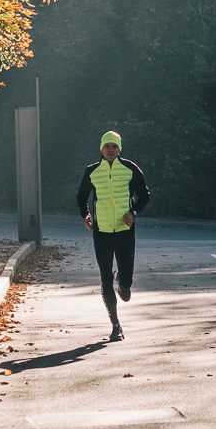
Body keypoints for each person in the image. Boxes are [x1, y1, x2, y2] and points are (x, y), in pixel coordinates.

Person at [76, 131, 151, 341]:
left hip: (125, 231)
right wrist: (87, 216)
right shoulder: (92, 171)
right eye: (107, 146)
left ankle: (124, 282)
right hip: (102, 232)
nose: (110, 150)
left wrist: (133, 213)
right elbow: (81, 196)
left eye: (114, 147)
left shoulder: (130, 169)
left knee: (126, 279)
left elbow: (144, 194)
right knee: (105, 277)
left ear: (119, 149)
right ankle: (116, 325)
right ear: (101, 148)